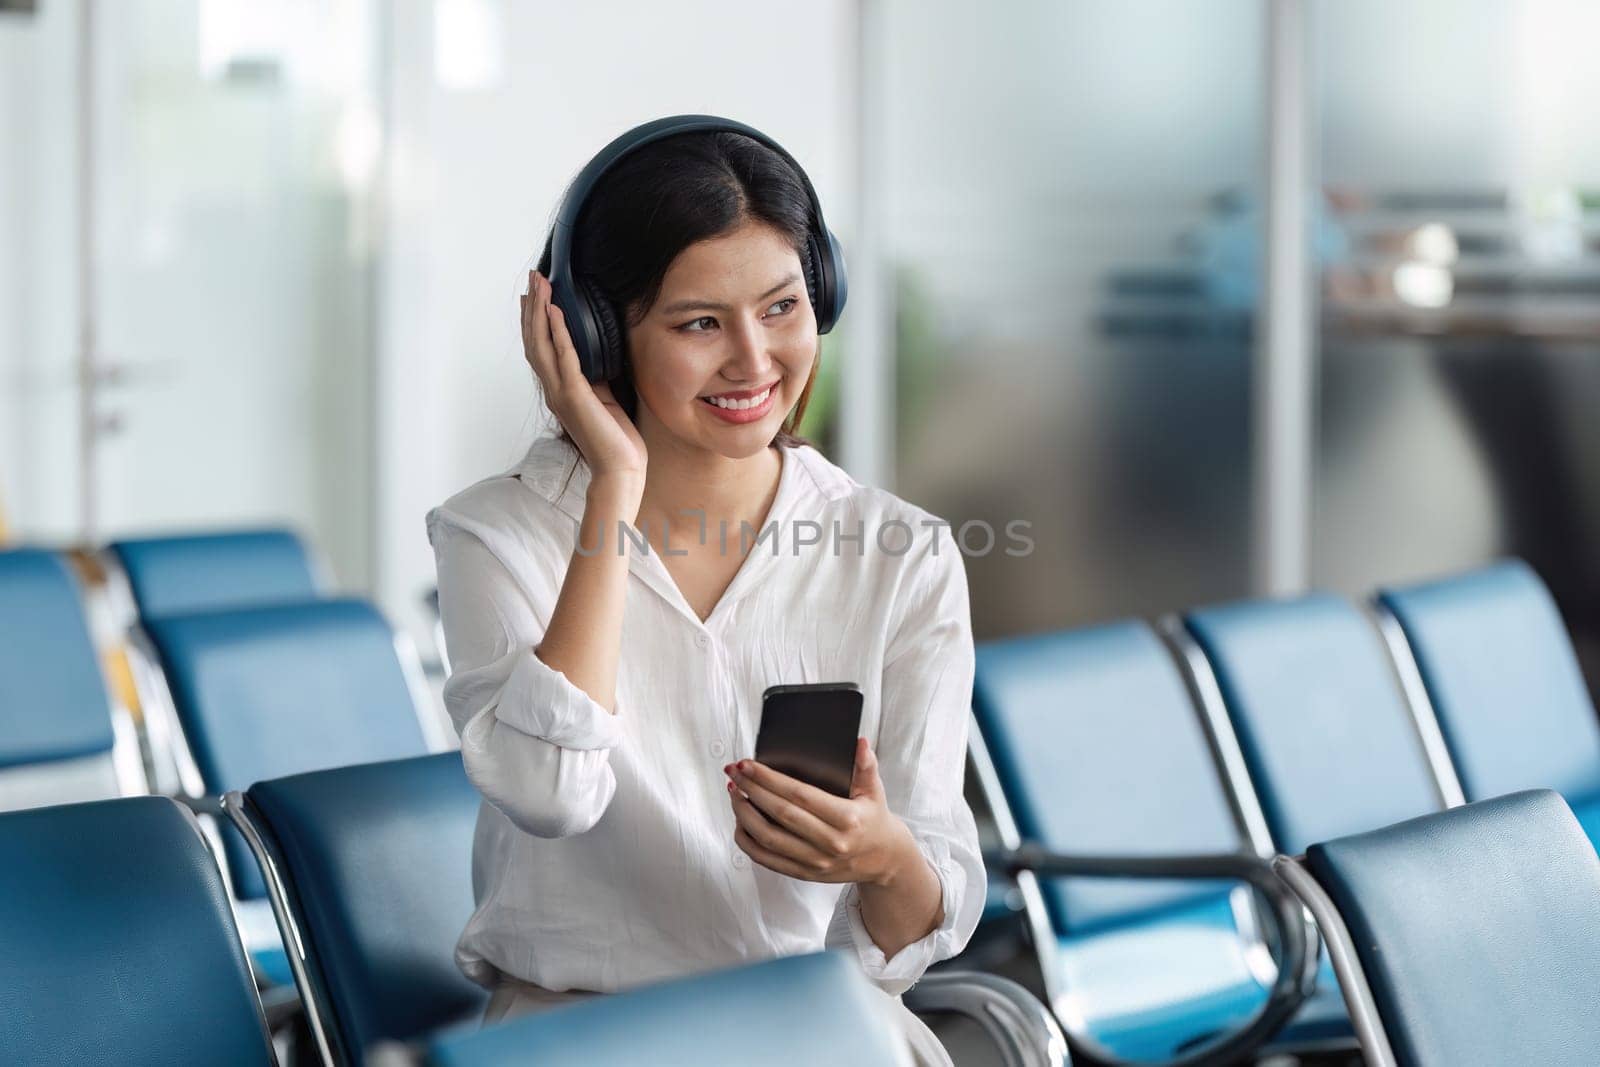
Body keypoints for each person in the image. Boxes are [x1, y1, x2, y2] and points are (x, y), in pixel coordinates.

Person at [426, 120, 984, 1066]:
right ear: (596, 331)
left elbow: (927, 911)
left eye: (782, 308)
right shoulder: (496, 533)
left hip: (813, 1027)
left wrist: (880, 853)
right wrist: (613, 486)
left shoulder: (904, 553)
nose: (754, 361)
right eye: (698, 323)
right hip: (583, 1036)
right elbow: (549, 790)